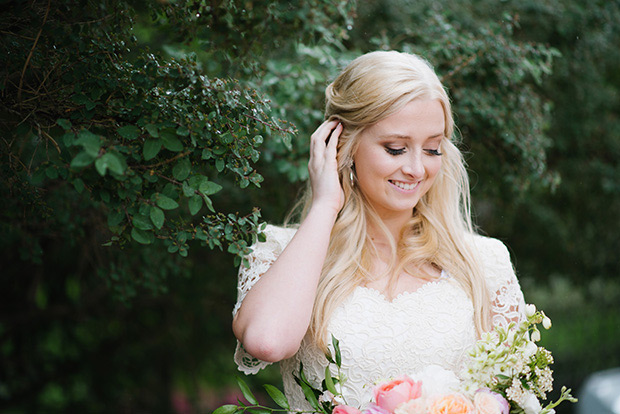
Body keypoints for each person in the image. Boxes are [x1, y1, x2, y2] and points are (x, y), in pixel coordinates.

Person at [231, 51, 525, 409]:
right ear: (344, 144)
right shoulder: (277, 251)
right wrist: (325, 204)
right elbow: (267, 341)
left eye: (432, 149)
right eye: (396, 148)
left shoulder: (485, 262)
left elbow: (516, 395)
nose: (416, 169)